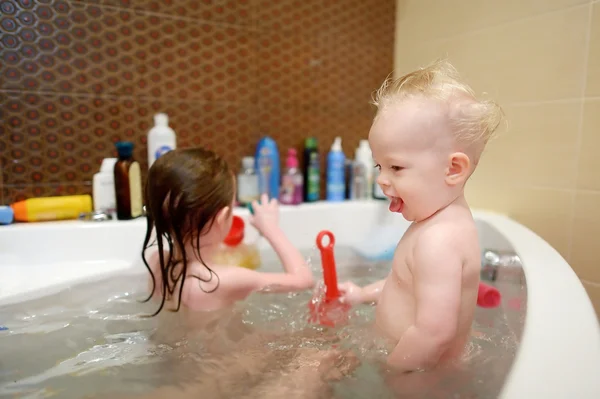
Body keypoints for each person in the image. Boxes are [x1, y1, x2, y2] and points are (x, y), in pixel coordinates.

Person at [338, 59, 504, 373]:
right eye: (379, 167)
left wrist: (390, 373)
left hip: (417, 378)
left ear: (453, 169)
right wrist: (364, 294)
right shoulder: (438, 222)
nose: (382, 180)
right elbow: (403, 284)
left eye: (396, 167)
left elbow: (434, 334)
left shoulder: (438, 240)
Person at [141, 148, 314, 315]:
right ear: (222, 217)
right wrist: (271, 229)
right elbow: (304, 280)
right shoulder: (222, 281)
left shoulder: (158, 262)